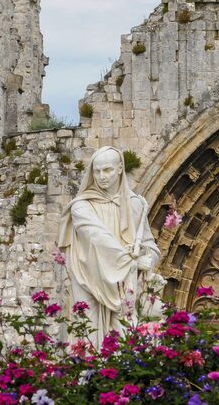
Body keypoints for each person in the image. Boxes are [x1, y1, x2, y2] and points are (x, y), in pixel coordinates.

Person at [58, 146, 160, 347]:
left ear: (120, 168)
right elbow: (98, 238)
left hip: (124, 283)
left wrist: (149, 258)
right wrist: (132, 262)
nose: (102, 176)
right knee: (88, 333)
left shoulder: (136, 204)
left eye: (107, 170)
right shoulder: (81, 206)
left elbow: (149, 243)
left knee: (123, 337)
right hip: (89, 276)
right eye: (97, 171)